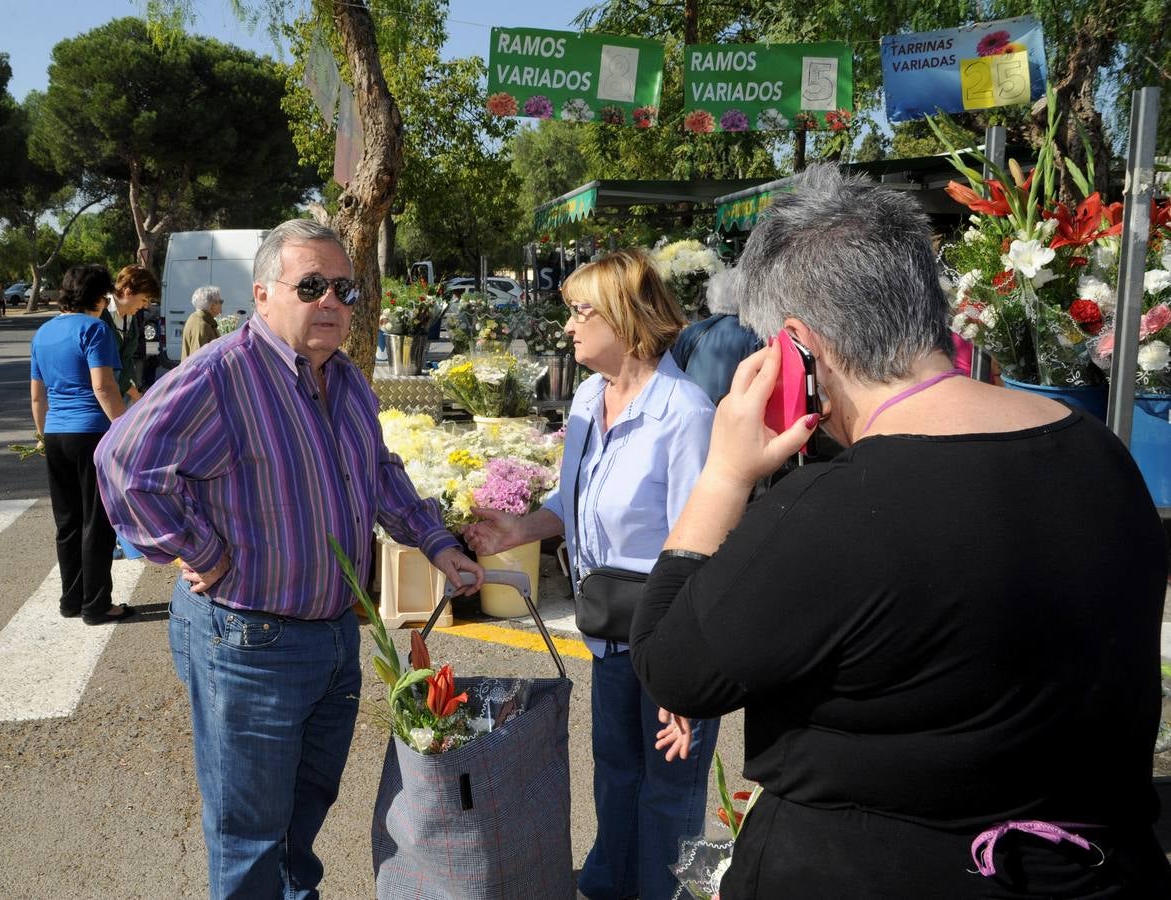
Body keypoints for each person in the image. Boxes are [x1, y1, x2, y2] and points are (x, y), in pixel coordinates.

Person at [631, 165, 1171, 898]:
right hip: (1098, 872)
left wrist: (724, 476)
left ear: (797, 348)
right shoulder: (1096, 451)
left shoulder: (835, 507)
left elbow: (672, 664)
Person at [93, 219, 484, 899]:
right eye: (311, 285)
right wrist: (200, 551)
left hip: (335, 633)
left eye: (344, 288)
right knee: (248, 833)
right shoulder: (223, 374)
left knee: (303, 817)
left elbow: (379, 471)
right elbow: (123, 464)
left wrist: (438, 541)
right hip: (249, 638)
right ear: (263, 294)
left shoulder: (347, 379)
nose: (331, 300)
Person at [464, 248, 719, 900]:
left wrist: (684, 679)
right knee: (617, 776)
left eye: (582, 312)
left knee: (669, 797)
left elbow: (700, 550)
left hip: (669, 639)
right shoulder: (586, 397)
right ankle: (611, 886)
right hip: (608, 633)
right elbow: (571, 505)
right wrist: (516, 531)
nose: (569, 327)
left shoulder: (683, 412)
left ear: (627, 318)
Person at [29, 264, 132, 625]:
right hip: (91, 432)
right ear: (97, 297)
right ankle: (97, 604)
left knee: (68, 522)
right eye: (105, 295)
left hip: (55, 434)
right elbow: (104, 387)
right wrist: (126, 429)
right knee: (97, 521)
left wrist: (42, 436)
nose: (107, 301)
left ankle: (71, 600)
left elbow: (38, 397)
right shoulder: (95, 329)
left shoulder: (43, 333)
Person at [670, 267, 763, 404]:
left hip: (692, 408)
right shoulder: (754, 336)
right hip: (731, 414)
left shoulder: (692, 332)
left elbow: (673, 375)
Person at [102, 264, 159, 405]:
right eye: (144, 299)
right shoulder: (100, 313)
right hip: (100, 402)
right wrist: (134, 393)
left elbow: (126, 360)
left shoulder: (131, 315)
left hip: (122, 397)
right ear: (128, 292)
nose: (146, 306)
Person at [181, 284, 222, 359]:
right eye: (220, 301)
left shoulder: (196, 318)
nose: (221, 304)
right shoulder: (202, 325)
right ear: (212, 306)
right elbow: (199, 360)